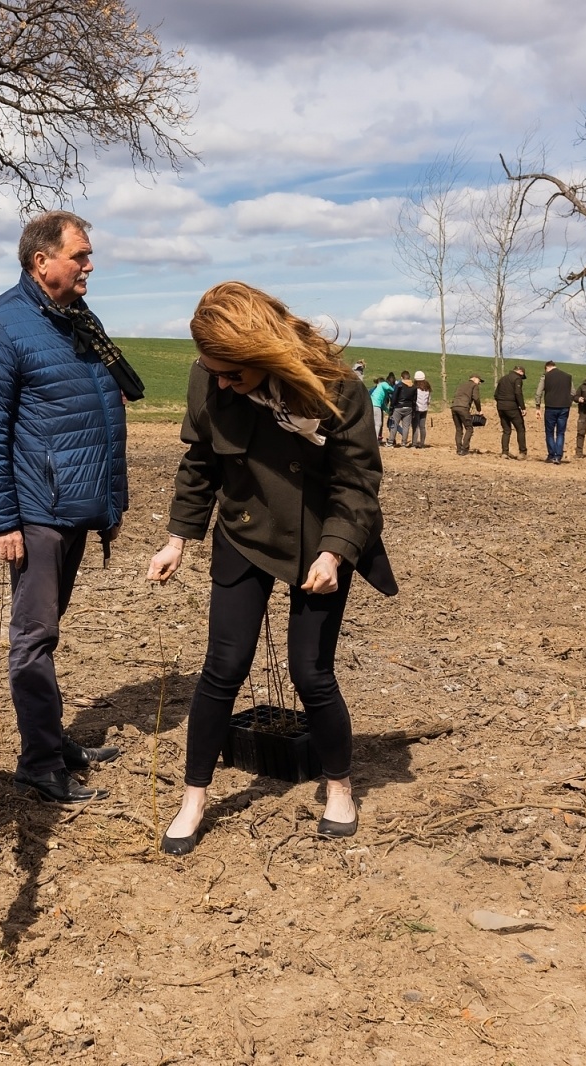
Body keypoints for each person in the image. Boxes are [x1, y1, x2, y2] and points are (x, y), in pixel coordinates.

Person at [146, 282, 396, 855]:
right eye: (214, 372)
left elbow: (358, 485)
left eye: (233, 373)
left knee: (312, 673)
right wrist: (178, 538)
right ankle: (193, 800)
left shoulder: (339, 391)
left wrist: (335, 551)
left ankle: (339, 788)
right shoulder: (208, 378)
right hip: (243, 530)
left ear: (262, 355)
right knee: (222, 667)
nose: (222, 383)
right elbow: (201, 462)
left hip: (319, 539)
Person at [0, 210, 128, 805]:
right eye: (80, 255)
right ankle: (37, 762)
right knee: (33, 637)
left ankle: (54, 741)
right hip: (36, 511)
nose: (90, 265)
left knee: (48, 633)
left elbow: (102, 408)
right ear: (42, 261)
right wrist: (1, 520)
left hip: (73, 505)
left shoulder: (75, 319)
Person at [540, 360, 573, 464]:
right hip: (564, 407)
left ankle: (551, 455)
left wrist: (537, 406)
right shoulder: (567, 376)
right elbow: (573, 392)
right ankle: (558, 456)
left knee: (549, 432)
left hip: (550, 407)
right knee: (560, 432)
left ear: (547, 368)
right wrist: (567, 401)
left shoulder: (545, 376)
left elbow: (538, 392)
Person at [494, 365, 528, 459]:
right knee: (520, 428)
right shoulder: (517, 379)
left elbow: (496, 394)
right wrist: (523, 407)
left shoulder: (503, 379)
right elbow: (518, 393)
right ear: (520, 372)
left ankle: (504, 452)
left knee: (506, 430)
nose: (522, 378)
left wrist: (501, 403)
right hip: (512, 407)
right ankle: (522, 452)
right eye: (522, 375)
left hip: (500, 407)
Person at [450, 374, 482, 455]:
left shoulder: (461, 385)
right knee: (469, 428)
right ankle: (464, 449)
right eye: (479, 381)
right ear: (475, 379)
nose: (479, 383)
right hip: (463, 408)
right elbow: (476, 398)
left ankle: (458, 449)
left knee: (458, 429)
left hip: (454, 407)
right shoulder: (474, 386)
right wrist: (479, 410)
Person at [387, 371, 415, 447]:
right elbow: (414, 399)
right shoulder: (413, 386)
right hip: (409, 408)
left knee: (394, 424)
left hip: (399, 407)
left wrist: (392, 407)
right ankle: (404, 442)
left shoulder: (399, 385)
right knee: (406, 426)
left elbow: (394, 397)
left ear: (402, 377)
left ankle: (390, 441)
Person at [368, 376, 392, 442]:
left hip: (370, 406)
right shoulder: (383, 384)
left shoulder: (375, 390)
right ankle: (375, 440)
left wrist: (387, 411)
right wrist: (394, 390)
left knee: (371, 423)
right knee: (378, 424)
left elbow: (382, 404)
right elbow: (388, 388)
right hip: (376, 406)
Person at [410, 370, 431, 447]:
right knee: (422, 427)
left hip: (417, 409)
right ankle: (422, 443)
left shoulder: (415, 388)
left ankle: (414, 443)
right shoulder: (427, 388)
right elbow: (429, 400)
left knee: (415, 426)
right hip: (424, 409)